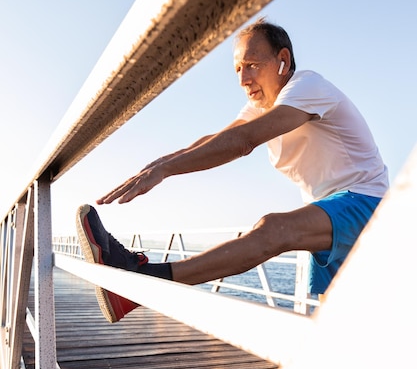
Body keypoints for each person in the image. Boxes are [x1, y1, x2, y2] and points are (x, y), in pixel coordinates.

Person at [76, 18, 389, 323]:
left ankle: (142, 280)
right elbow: (218, 138)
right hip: (329, 212)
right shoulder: (261, 107)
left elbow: (243, 141)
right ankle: (131, 291)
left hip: (366, 203)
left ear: (283, 59)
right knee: (338, 323)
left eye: (252, 64)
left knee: (273, 229)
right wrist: (157, 164)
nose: (243, 79)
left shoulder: (307, 85)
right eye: (238, 69)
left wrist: (166, 170)